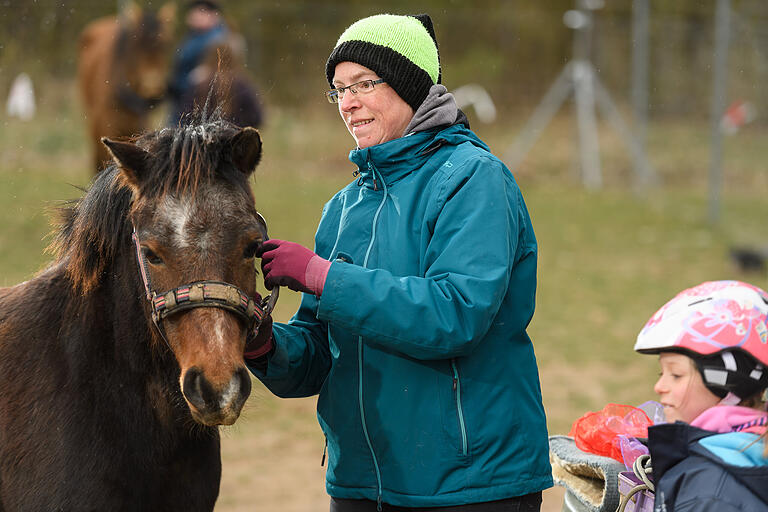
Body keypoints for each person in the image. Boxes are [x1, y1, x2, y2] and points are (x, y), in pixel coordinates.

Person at [243, 13, 552, 512]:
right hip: (362, 485)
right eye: (339, 89)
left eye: (365, 83)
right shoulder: (341, 209)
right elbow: (319, 356)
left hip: (469, 486)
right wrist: (260, 343)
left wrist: (321, 276)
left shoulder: (473, 179)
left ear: (411, 84)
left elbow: (455, 315)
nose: (349, 102)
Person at [634, 280, 768, 511]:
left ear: (728, 382)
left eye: (676, 374)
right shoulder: (744, 450)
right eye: (661, 372)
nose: (659, 386)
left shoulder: (711, 495)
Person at [167, 0, 228, 125]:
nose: (194, 15)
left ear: (214, 15)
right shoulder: (193, 37)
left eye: (201, 11)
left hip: (198, 105)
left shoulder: (218, 41)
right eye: (194, 10)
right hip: (182, 102)